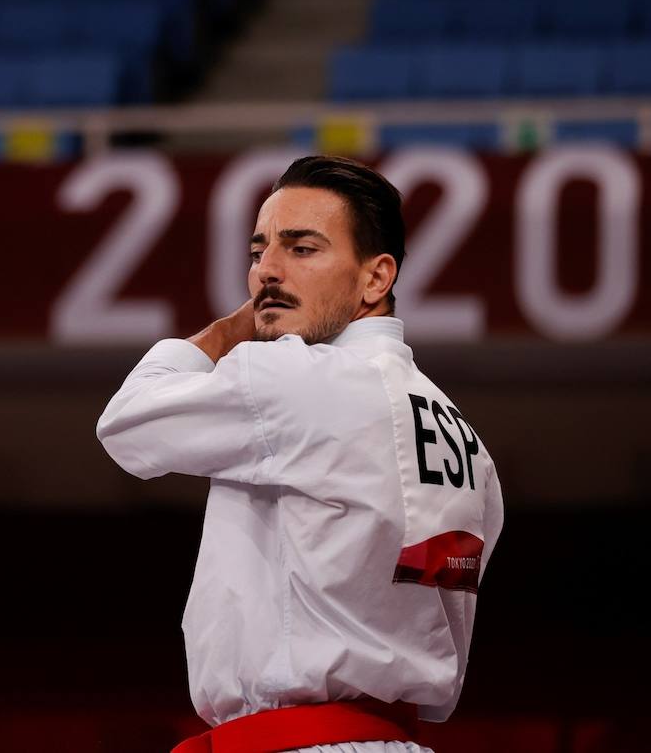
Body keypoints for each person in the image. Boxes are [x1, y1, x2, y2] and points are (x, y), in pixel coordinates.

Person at [96, 155, 503, 753]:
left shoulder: (292, 377)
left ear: (375, 278)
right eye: (259, 251)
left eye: (302, 249)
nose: (267, 272)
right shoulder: (463, 438)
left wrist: (230, 330)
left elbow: (127, 425)